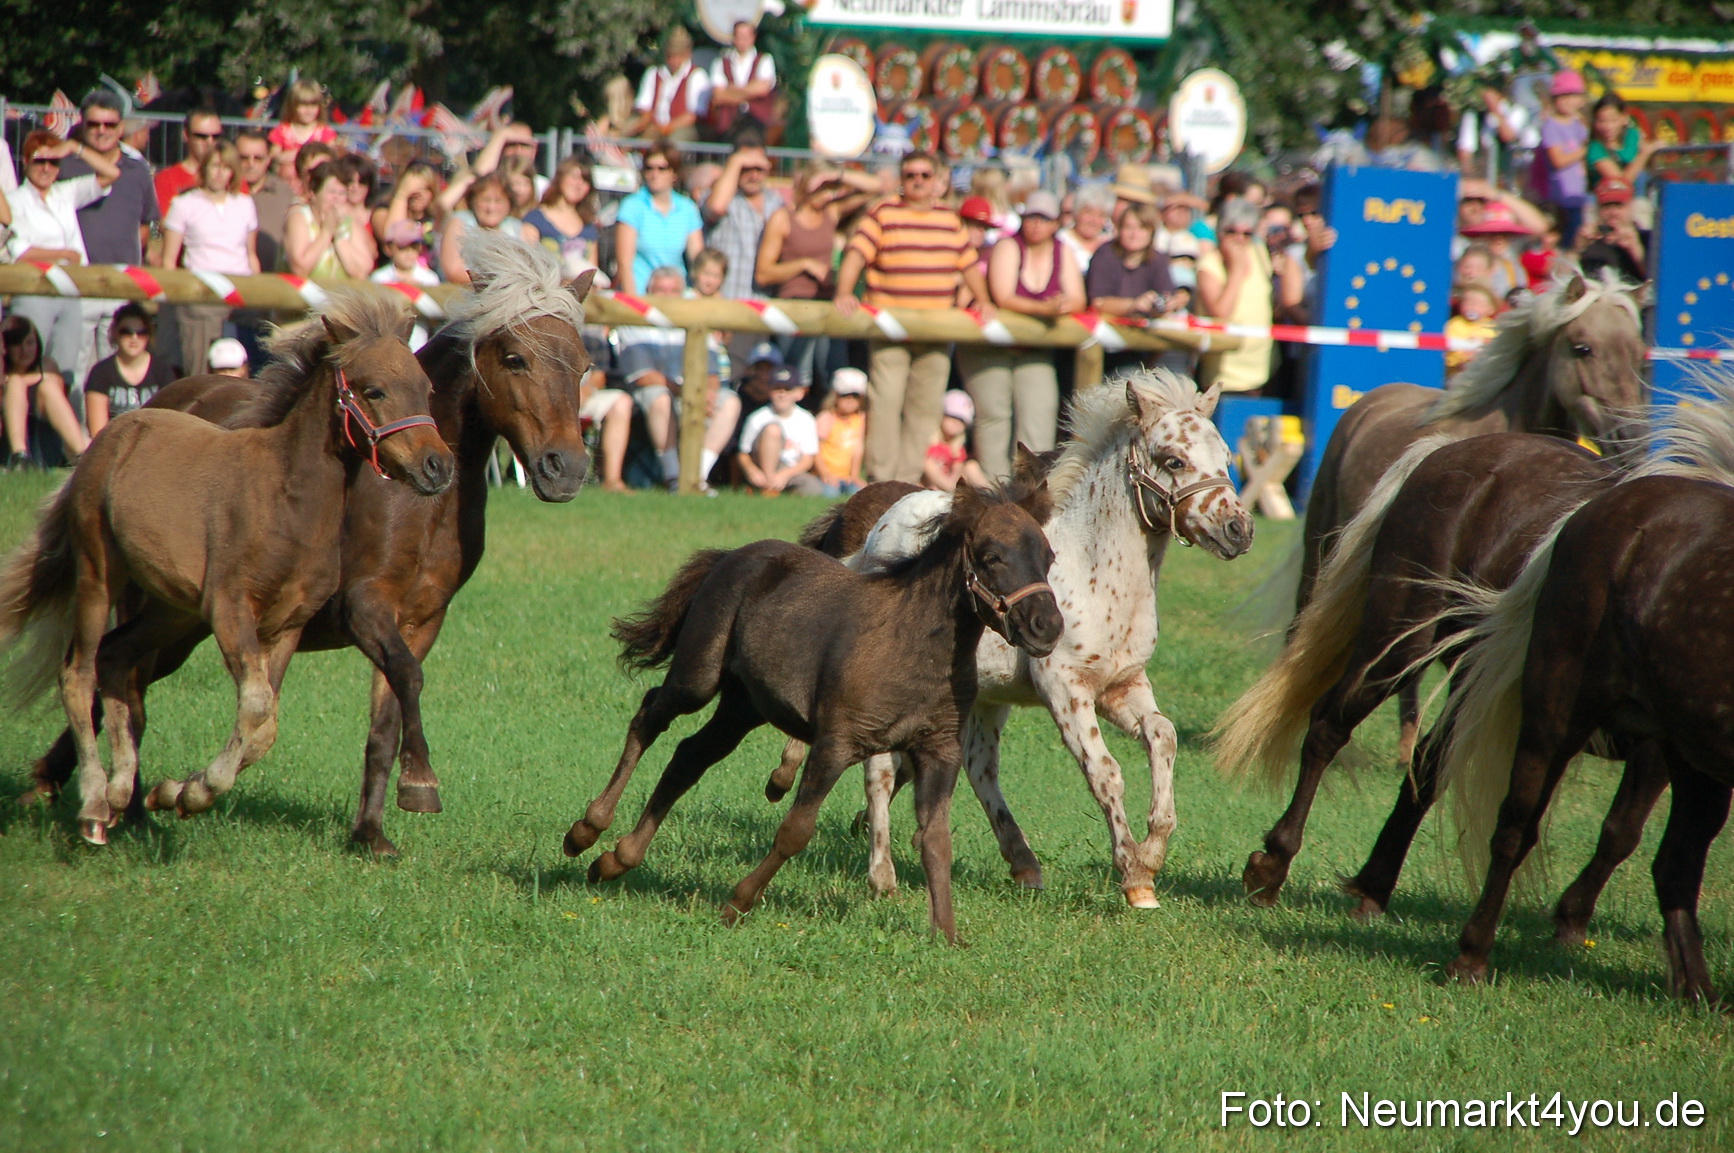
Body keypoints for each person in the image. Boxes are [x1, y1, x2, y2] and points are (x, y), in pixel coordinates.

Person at [834, 150, 994, 484]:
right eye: (910, 175)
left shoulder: (950, 220)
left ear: (936, 181)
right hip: (890, 329)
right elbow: (856, 253)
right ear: (901, 179)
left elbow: (968, 264)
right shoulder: (883, 212)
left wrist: (983, 300)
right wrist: (844, 291)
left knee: (924, 412)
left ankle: (906, 485)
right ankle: (881, 482)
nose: (918, 181)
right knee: (885, 406)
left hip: (935, 332)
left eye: (924, 175)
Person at [961, 189, 1082, 479]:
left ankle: (1030, 490)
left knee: (1039, 411)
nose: (1036, 224)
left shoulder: (1062, 250)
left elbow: (1079, 298)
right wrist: (1046, 309)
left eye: (1044, 218)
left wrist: (1062, 305)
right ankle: (993, 489)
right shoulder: (1007, 245)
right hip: (990, 347)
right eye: (1031, 217)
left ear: (1056, 223)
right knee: (994, 414)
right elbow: (1004, 296)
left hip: (1035, 348)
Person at [58, 89, 160, 391]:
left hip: (121, 283)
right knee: (73, 373)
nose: (102, 130)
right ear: (82, 123)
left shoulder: (137, 170)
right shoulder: (64, 166)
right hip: (78, 283)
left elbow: (146, 225)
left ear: (121, 127)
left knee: (119, 375)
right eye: (94, 124)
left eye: (110, 124)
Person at [5, 131, 120, 383]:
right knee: (27, 366)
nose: (46, 168)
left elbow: (111, 173)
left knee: (66, 370)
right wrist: (64, 254)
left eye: (53, 162)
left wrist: (74, 148)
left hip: (70, 291)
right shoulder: (14, 200)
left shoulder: (64, 192)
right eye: (39, 161)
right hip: (34, 291)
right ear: (26, 161)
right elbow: (20, 252)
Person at [617, 266, 740, 490]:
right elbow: (643, 376)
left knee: (730, 401)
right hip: (652, 394)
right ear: (649, 291)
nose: (667, 296)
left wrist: (708, 393)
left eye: (673, 291)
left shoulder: (695, 315)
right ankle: (673, 476)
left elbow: (712, 372)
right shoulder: (634, 320)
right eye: (661, 290)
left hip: (692, 391)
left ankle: (697, 477)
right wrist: (687, 392)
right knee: (661, 398)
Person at [162, 140, 261, 376]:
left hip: (240, 297)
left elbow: (251, 254)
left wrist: (257, 295)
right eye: (215, 166)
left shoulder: (245, 203)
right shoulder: (184, 204)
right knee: (200, 372)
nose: (220, 172)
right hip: (200, 300)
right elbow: (168, 261)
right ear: (204, 168)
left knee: (244, 374)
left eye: (226, 167)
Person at [1085, 201, 1186, 376]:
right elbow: (1098, 302)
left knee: (1177, 367)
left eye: (1141, 228)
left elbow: (1166, 297)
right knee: (1128, 375)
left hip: (1147, 346)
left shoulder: (1158, 259)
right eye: (1128, 227)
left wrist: (1171, 303)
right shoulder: (1105, 254)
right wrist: (1134, 305)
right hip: (1105, 346)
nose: (1134, 234)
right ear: (1119, 229)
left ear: (1151, 232)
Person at [1194, 196, 1275, 397]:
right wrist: (1236, 270)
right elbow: (1221, 314)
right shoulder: (1209, 266)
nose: (1239, 239)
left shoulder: (1259, 252)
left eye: (1247, 233)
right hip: (1225, 378)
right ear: (1219, 232)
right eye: (1232, 231)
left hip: (1263, 370)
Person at [614, 143, 703, 296]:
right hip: (642, 294)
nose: (654, 174)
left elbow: (698, 259)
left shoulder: (687, 208)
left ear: (674, 173)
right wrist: (634, 303)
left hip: (677, 295)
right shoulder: (632, 206)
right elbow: (624, 264)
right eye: (649, 168)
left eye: (662, 168)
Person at [3, 314, 89, 467]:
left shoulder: (47, 367)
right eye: (17, 343)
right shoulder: (4, 374)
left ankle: (82, 455)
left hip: (44, 442)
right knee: (16, 382)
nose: (25, 350)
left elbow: (60, 405)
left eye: (30, 343)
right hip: (6, 443)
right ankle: (19, 457)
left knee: (48, 386)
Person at [83, 304, 180, 436]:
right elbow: (97, 432)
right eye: (126, 332)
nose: (134, 337)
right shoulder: (101, 372)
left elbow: (171, 423)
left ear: (148, 334)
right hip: (113, 442)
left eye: (141, 332)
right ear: (115, 333)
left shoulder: (162, 370)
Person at [703, 142, 777, 301]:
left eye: (759, 169)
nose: (754, 176)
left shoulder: (776, 201)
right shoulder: (721, 197)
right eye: (746, 168)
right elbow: (716, 208)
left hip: (762, 303)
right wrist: (736, 161)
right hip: (725, 300)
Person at [737, 366, 822, 495]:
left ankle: (781, 491)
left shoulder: (806, 419)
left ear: (799, 393)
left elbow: (807, 459)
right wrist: (751, 471)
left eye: (788, 389)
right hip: (762, 467)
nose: (782, 394)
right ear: (769, 390)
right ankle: (768, 487)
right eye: (777, 388)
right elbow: (743, 453)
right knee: (772, 430)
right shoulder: (758, 417)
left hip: (791, 470)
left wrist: (785, 475)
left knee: (813, 488)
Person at [287, 164, 375, 282]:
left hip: (342, 292)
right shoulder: (299, 218)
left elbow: (361, 272)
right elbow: (300, 269)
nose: (337, 198)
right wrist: (326, 232)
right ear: (314, 193)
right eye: (332, 192)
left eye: (342, 193)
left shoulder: (349, 222)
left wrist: (339, 237)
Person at [626, 27, 710, 143]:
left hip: (681, 127)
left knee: (674, 141)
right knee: (631, 132)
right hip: (654, 126)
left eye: (678, 56)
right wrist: (642, 124)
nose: (673, 61)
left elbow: (694, 115)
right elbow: (644, 107)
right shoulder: (654, 73)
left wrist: (668, 127)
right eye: (670, 56)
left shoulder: (697, 76)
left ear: (687, 55)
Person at [1534, 69, 1591, 240]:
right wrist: (1585, 150)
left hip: (1579, 197)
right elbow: (1558, 160)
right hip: (1560, 199)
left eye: (1572, 95)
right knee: (1565, 239)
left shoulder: (1579, 125)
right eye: (1562, 96)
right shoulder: (1552, 126)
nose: (1567, 101)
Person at [521, 156, 600, 278]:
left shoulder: (588, 226)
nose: (579, 184)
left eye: (585, 181)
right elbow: (527, 263)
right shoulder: (535, 219)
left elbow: (593, 273)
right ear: (561, 177)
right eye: (574, 177)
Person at [438, 173, 520, 285]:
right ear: (473, 200)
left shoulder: (517, 228)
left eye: (498, 201)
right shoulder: (459, 223)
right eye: (485, 200)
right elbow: (454, 271)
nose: (491, 208)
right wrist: (496, 281)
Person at [372, 221, 441, 349]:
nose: (409, 252)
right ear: (388, 248)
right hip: (387, 346)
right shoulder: (379, 278)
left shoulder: (429, 278)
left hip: (420, 347)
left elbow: (436, 319)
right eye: (402, 247)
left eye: (414, 246)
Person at [708, 20, 779, 142]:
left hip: (757, 122)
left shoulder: (764, 60)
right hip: (728, 124)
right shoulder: (720, 62)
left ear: (753, 37)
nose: (742, 40)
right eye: (739, 36)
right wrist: (750, 92)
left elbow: (763, 89)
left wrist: (732, 90)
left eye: (746, 36)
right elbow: (718, 95)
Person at [235, 128, 292, 272]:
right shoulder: (225, 193)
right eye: (244, 158)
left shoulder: (285, 193)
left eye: (258, 158)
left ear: (268, 159)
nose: (251, 164)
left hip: (274, 278)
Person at [1576, 178, 1646, 285]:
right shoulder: (1590, 240)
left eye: (1619, 205)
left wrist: (1635, 249)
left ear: (1631, 207)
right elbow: (1562, 278)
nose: (1613, 212)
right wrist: (1577, 250)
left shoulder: (1647, 238)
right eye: (1606, 206)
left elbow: (1659, 280)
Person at [155, 109, 225, 213]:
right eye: (202, 136)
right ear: (185, 135)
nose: (209, 142)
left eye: (216, 137)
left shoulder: (232, 177)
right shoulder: (167, 179)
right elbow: (166, 219)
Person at [1588, 92, 1659, 194]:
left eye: (1613, 120)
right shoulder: (1595, 148)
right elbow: (1621, 184)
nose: (1608, 127)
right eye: (1602, 121)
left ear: (1624, 119)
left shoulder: (1632, 135)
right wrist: (1643, 154)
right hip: (1609, 199)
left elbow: (1647, 153)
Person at [377, 159, 444, 264]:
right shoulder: (383, 211)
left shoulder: (436, 218)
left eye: (426, 188)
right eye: (414, 188)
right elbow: (392, 236)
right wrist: (402, 195)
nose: (419, 194)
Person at [814, 366, 868, 496]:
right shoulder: (826, 418)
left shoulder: (860, 419)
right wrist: (825, 473)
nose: (850, 400)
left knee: (859, 494)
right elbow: (816, 450)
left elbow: (858, 449)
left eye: (855, 396)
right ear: (836, 396)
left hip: (847, 476)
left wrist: (854, 475)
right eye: (844, 396)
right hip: (827, 474)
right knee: (830, 494)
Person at [923, 389, 989, 492]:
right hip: (929, 486)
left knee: (971, 466)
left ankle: (992, 496)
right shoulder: (930, 442)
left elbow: (956, 473)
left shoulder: (957, 448)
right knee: (927, 462)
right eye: (952, 417)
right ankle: (952, 491)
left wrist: (953, 483)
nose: (956, 423)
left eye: (962, 421)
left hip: (951, 485)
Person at [268, 78, 339, 169]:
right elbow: (273, 158)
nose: (309, 111)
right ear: (293, 105)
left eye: (313, 105)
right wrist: (294, 156)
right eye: (303, 105)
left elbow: (332, 158)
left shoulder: (325, 132)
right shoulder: (281, 131)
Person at [1445, 281, 1499, 378]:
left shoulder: (1492, 327)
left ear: (1490, 309)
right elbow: (1450, 347)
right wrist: (1464, 356)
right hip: (1457, 370)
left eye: (1479, 305)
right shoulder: (1455, 324)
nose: (1473, 307)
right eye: (1468, 303)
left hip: (1484, 370)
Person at [1059, 182, 1114, 273]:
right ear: (1077, 211)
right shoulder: (1062, 240)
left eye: (1101, 215)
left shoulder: (1110, 244)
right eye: (1089, 212)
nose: (1094, 220)